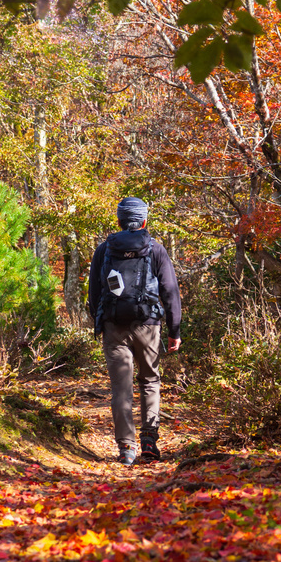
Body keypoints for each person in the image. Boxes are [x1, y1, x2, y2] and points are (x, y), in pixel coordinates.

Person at [88, 197, 182, 466]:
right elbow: (170, 293)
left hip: (114, 326)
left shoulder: (104, 250)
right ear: (144, 220)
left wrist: (102, 320)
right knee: (150, 381)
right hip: (148, 324)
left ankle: (126, 448)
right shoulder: (156, 249)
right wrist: (174, 330)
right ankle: (149, 441)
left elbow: (94, 293)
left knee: (121, 387)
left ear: (119, 220)